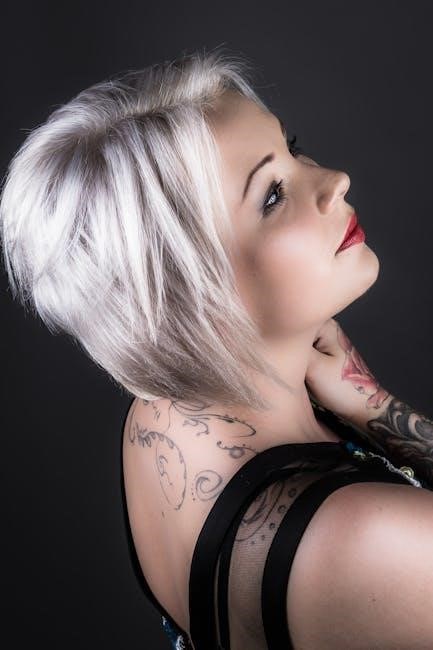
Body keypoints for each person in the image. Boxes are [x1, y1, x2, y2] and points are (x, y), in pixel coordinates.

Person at [2, 46, 433, 649]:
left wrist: (364, 403)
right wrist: (381, 410)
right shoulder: (372, 539)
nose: (335, 179)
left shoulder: (154, 422)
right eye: (272, 195)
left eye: (292, 149)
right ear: (193, 294)